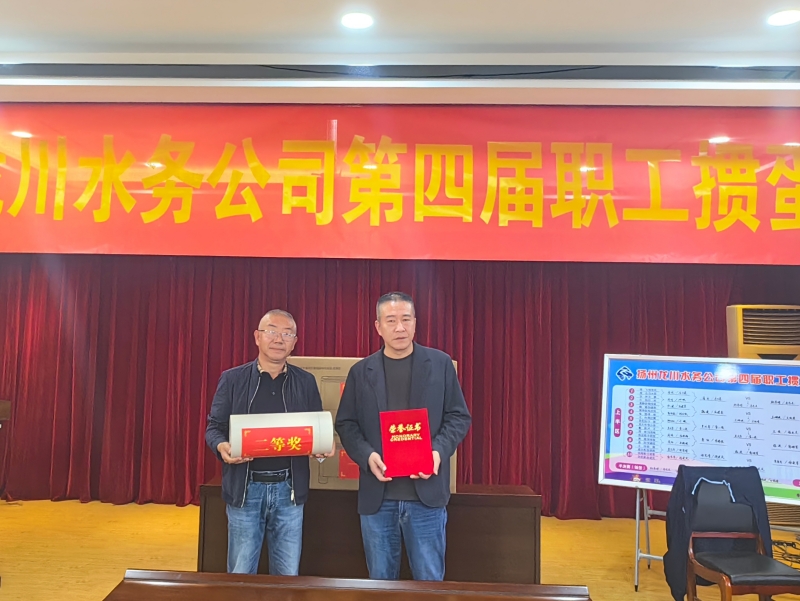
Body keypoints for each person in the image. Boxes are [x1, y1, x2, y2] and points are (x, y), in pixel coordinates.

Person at [335, 292, 472, 581]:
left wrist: (437, 452)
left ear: (415, 323)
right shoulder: (361, 372)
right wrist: (367, 456)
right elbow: (346, 424)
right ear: (378, 326)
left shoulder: (440, 364)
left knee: (429, 581)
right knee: (381, 582)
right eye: (391, 321)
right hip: (378, 498)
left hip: (426, 498)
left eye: (406, 319)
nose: (400, 328)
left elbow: (459, 417)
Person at [205, 309, 332, 576]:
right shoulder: (233, 379)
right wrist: (222, 447)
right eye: (272, 331)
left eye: (287, 334)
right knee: (241, 572)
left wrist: (322, 447)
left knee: (287, 573)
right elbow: (214, 428)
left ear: (294, 342)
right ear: (257, 337)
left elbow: (315, 431)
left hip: (289, 490)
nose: (278, 339)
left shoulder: (305, 382)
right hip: (245, 489)